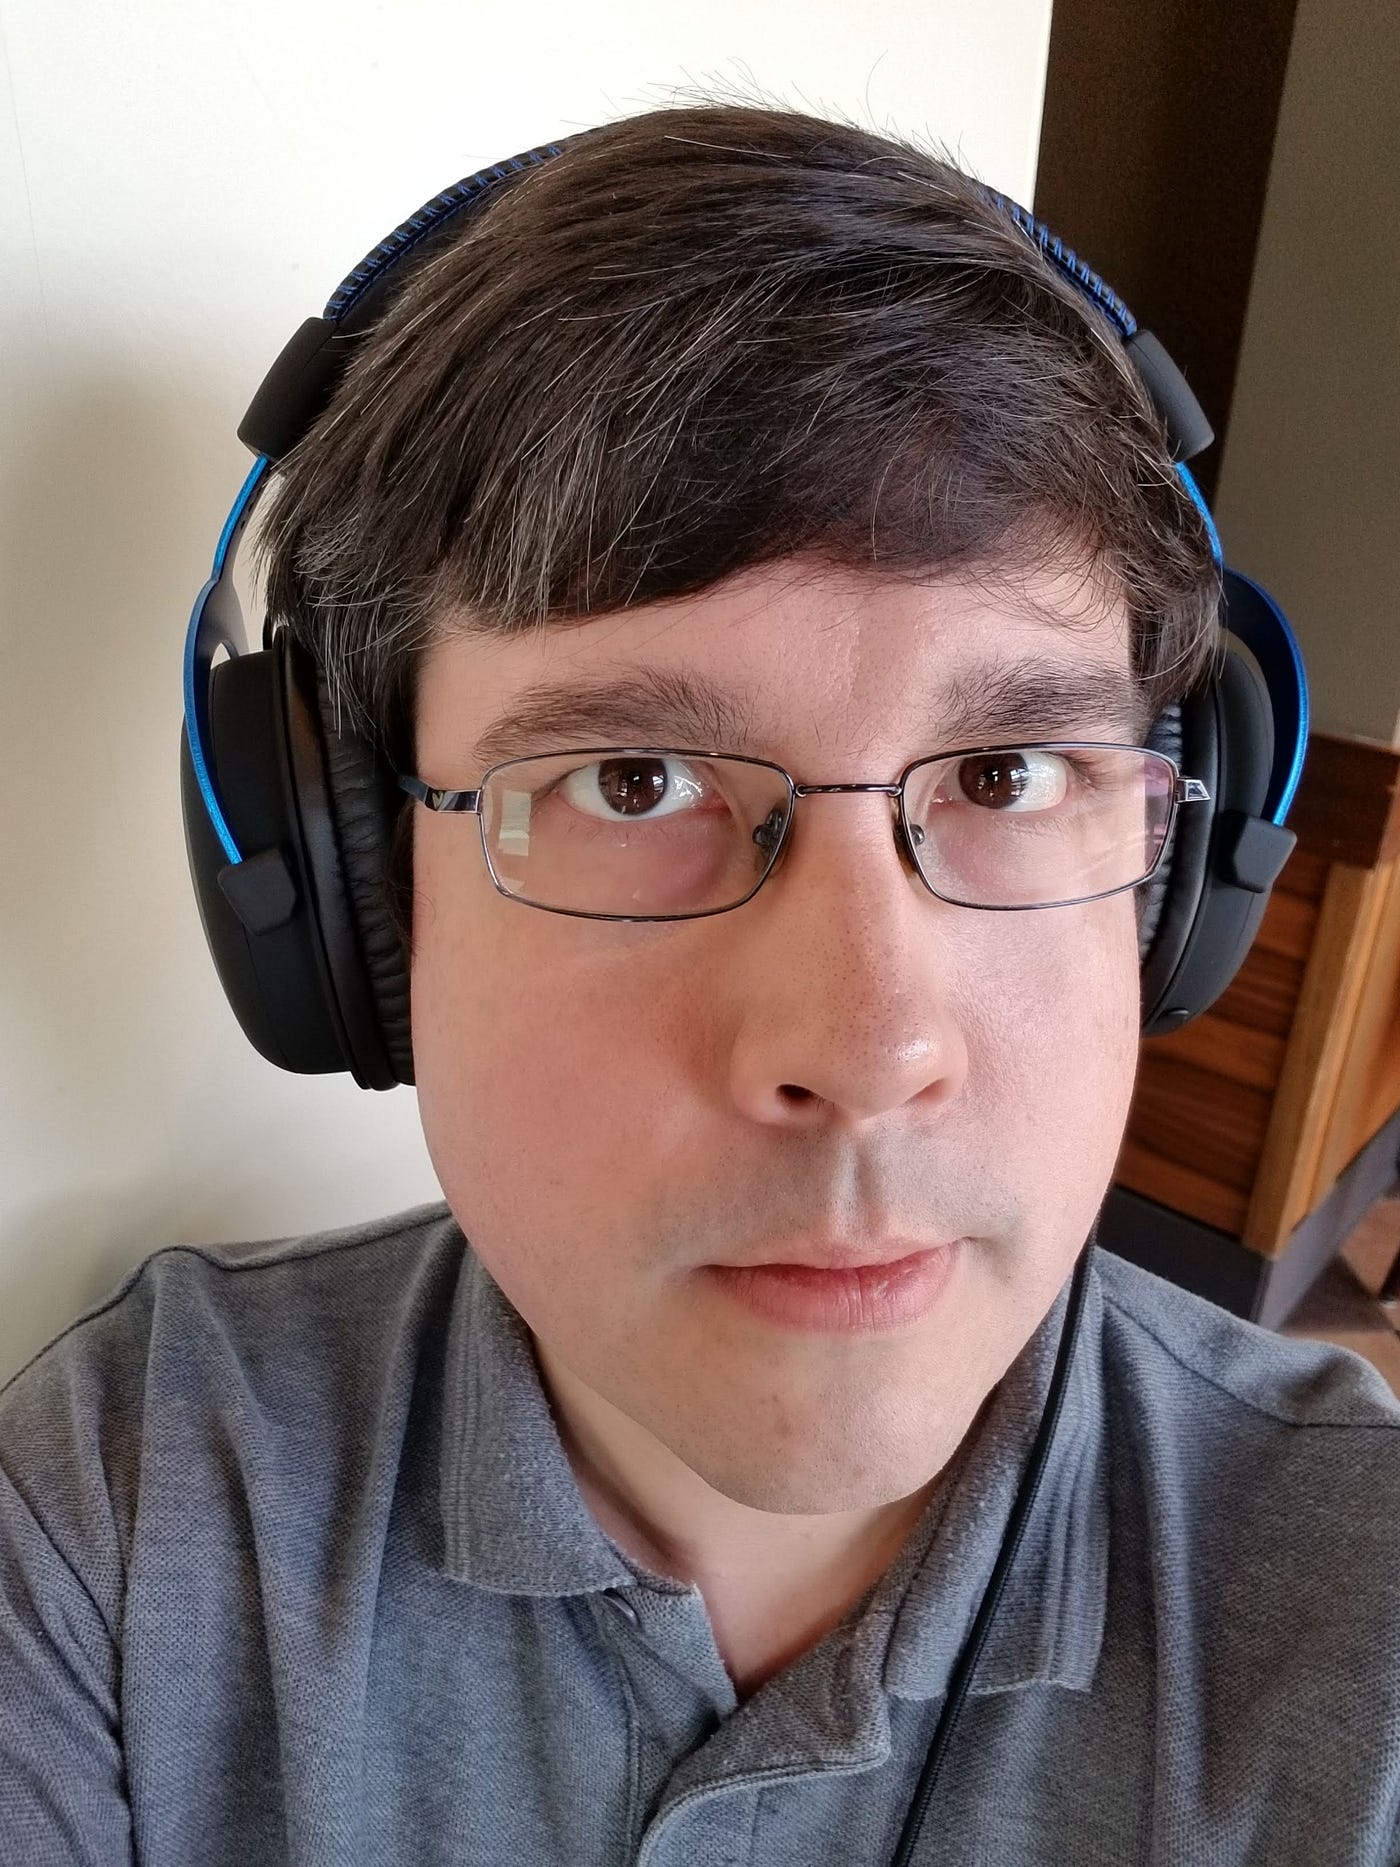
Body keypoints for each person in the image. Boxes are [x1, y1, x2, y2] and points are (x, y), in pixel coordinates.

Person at [2, 101, 1398, 1867]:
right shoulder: (121, 1513)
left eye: (1007, 773)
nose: (870, 1048)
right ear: (352, 902)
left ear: (1179, 873)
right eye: (632, 782)